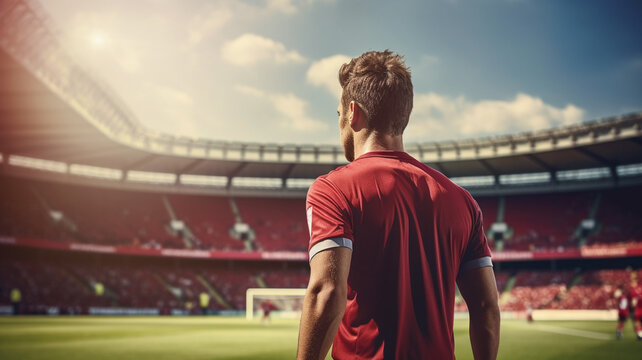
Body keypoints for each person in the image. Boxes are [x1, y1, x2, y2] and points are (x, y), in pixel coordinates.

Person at [296, 50, 500, 360]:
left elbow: (327, 293)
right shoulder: (462, 201)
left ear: (353, 113)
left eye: (338, 114)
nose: (340, 123)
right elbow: (486, 307)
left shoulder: (332, 189)